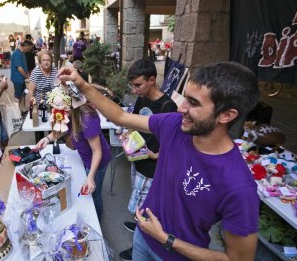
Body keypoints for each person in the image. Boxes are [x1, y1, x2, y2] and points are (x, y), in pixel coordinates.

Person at [58, 61, 260, 260]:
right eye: (185, 99)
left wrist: (166, 239)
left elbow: (238, 258)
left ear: (226, 115)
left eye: (194, 103)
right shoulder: (174, 125)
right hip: (142, 238)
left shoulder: (238, 185)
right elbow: (120, 116)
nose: (181, 108)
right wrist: (82, 85)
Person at [118, 59, 178, 261]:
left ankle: (138, 247)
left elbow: (174, 145)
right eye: (132, 85)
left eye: (138, 85)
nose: (134, 90)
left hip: (152, 168)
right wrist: (128, 136)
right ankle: (139, 233)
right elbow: (134, 122)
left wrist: (155, 155)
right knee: (138, 204)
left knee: (143, 211)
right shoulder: (142, 98)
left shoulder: (168, 106)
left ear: (152, 80)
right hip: (138, 159)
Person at [36, 102, 112, 219]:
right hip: (86, 157)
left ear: (72, 106)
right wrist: (47, 138)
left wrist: (90, 177)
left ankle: (97, 222)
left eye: (62, 111)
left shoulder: (87, 119)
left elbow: (97, 151)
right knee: (86, 193)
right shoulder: (70, 114)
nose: (59, 115)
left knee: (94, 196)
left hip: (98, 162)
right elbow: (63, 129)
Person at [10, 39, 34, 116]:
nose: (29, 50)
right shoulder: (17, 54)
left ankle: (22, 109)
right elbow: (20, 68)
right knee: (18, 96)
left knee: (22, 95)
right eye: (29, 48)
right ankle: (17, 112)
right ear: (25, 46)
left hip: (21, 78)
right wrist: (27, 76)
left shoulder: (22, 53)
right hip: (18, 78)